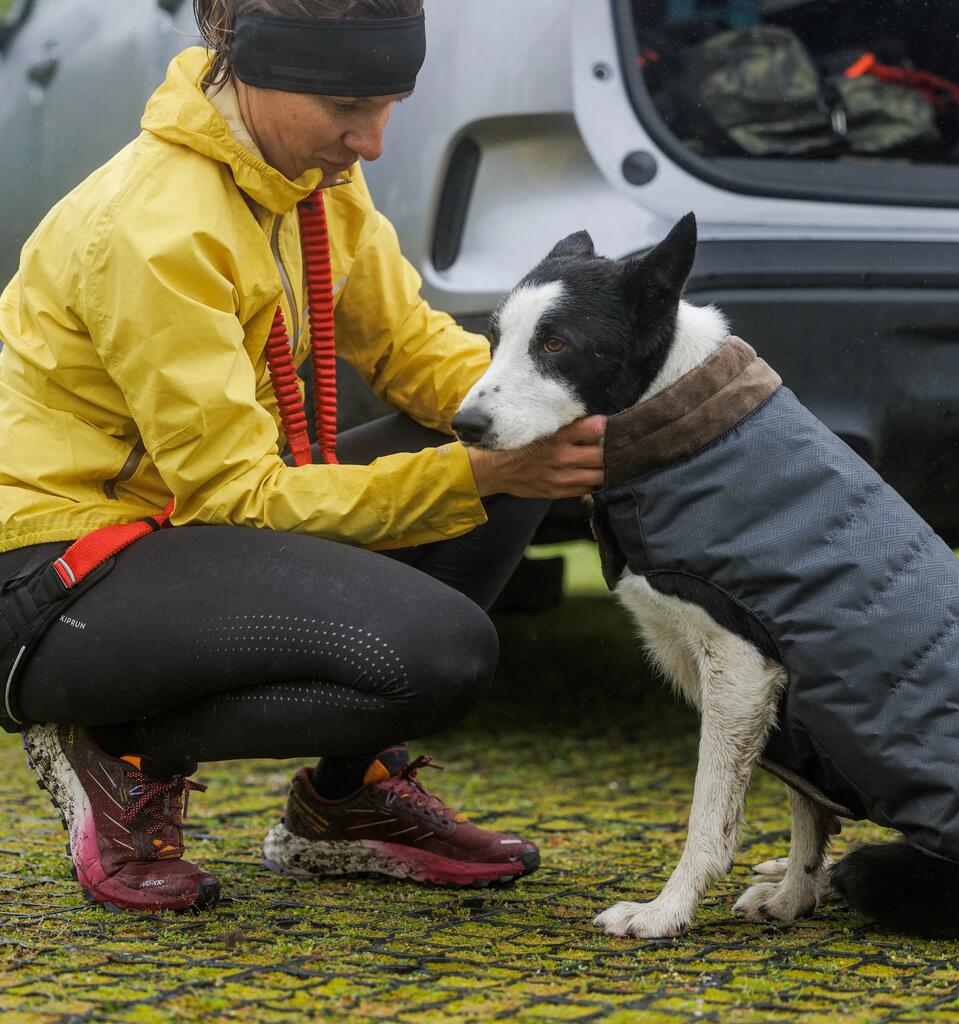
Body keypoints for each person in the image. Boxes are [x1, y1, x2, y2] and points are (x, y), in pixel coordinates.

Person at [0, 0, 606, 914]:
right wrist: (469, 476)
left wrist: (566, 406)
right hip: (58, 576)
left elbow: (411, 350)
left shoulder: (302, 178)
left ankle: (344, 804)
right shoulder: (153, 226)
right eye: (347, 108)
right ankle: (115, 747)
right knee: (440, 655)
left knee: (506, 424)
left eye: (392, 102)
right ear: (253, 73)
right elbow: (235, 495)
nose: (372, 141)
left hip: (187, 531)